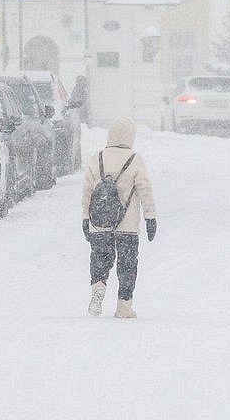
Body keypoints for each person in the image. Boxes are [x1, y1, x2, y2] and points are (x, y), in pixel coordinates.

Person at [81, 116, 157, 318]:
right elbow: (144, 189)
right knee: (127, 264)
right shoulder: (135, 159)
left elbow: (88, 191)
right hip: (127, 225)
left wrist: (85, 218)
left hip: (100, 222)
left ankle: (98, 286)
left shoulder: (96, 158)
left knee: (100, 258)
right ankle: (124, 306)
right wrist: (150, 216)